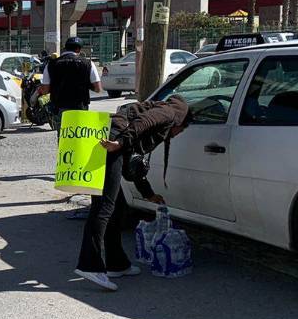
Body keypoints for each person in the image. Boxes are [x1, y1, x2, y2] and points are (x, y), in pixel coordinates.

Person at [74, 95, 192, 292]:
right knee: (103, 207)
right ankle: (89, 265)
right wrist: (118, 143)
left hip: (112, 140)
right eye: (180, 131)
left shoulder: (164, 118)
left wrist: (148, 194)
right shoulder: (170, 113)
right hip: (111, 142)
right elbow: (142, 122)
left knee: (116, 207)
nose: (177, 135)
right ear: (181, 122)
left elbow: (133, 163)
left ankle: (116, 263)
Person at [37, 36, 102, 130]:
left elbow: (45, 90)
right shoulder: (88, 63)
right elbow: (98, 89)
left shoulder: (51, 64)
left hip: (59, 107)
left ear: (65, 48)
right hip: (80, 107)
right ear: (79, 49)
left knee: (63, 136)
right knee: (78, 137)